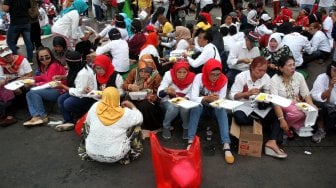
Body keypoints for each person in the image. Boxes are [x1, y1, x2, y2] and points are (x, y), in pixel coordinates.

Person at [230, 56, 287, 158]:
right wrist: (247, 93)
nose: (262, 73)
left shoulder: (266, 77)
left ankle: (272, 142)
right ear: (252, 68)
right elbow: (232, 96)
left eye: (264, 71)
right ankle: (263, 125)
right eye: (259, 70)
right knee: (239, 118)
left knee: (277, 114)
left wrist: (264, 97)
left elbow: (267, 93)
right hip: (243, 105)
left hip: (257, 106)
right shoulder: (241, 77)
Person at [78, 87, 144, 164]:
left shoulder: (95, 107)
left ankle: (86, 146)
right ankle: (134, 152)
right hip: (115, 156)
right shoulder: (125, 113)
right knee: (136, 126)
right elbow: (140, 118)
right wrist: (132, 106)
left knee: (86, 123)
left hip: (91, 153)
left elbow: (88, 123)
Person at [187, 58, 234, 164]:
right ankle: (190, 140)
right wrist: (206, 98)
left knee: (221, 110)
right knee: (196, 107)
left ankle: (226, 144)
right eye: (212, 74)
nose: (215, 77)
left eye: (218, 74)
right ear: (207, 71)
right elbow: (193, 97)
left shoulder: (223, 79)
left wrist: (216, 100)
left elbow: (221, 99)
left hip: (214, 107)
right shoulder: (199, 77)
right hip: (202, 106)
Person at [271, 56, 317, 138]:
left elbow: (306, 94)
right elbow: (275, 102)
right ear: (281, 68)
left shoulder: (299, 76)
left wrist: (311, 105)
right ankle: (285, 128)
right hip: (282, 104)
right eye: (289, 65)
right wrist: (281, 119)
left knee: (313, 110)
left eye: (293, 64)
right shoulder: (275, 80)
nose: (293, 67)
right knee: (298, 113)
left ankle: (292, 125)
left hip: (296, 103)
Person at [23, 47, 67, 127]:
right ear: (38, 59)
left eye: (47, 57)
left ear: (51, 55)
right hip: (50, 89)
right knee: (28, 94)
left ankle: (43, 116)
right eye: (41, 58)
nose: (45, 59)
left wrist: (34, 83)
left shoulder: (53, 65)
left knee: (33, 91)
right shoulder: (43, 66)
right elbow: (44, 77)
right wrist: (33, 78)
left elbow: (49, 82)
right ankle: (36, 116)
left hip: (58, 90)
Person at [55, 51, 97, 131]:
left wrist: (62, 86)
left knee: (67, 103)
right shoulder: (77, 67)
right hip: (78, 92)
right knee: (60, 99)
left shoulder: (83, 73)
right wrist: (61, 77)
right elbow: (72, 76)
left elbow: (79, 92)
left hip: (87, 96)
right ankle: (69, 121)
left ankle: (82, 116)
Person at [123, 58, 162, 138]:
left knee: (144, 105)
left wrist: (152, 96)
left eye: (146, 71)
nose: (143, 73)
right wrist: (130, 86)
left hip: (149, 100)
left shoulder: (156, 76)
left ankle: (148, 128)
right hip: (134, 96)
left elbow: (158, 92)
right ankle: (130, 125)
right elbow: (125, 84)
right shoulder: (134, 71)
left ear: (151, 70)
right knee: (126, 101)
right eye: (141, 70)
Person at [157, 60, 195, 139]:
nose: (182, 75)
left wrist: (186, 98)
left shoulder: (192, 77)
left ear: (187, 72)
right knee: (174, 107)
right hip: (168, 100)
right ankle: (166, 126)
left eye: (184, 72)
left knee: (185, 108)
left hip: (184, 100)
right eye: (179, 72)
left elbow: (192, 92)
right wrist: (166, 91)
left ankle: (186, 127)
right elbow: (159, 93)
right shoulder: (169, 75)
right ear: (175, 71)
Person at [0, 45, 33, 126]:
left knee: (23, 88)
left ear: (11, 53)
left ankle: (30, 112)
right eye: (5, 56)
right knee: (10, 91)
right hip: (8, 83)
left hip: (22, 80)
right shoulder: (1, 64)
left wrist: (18, 80)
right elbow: (1, 79)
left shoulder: (22, 60)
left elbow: (29, 74)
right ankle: (10, 116)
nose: (8, 57)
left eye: (9, 55)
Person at [311, 61, 336, 143]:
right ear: (330, 70)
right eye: (334, 71)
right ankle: (320, 129)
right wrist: (330, 87)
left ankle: (330, 126)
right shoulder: (322, 78)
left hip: (334, 108)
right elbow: (318, 98)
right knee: (320, 106)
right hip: (323, 106)